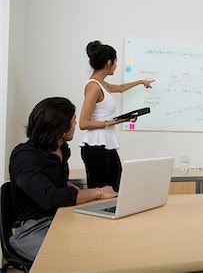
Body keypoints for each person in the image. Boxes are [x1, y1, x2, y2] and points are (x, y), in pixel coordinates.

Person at [9, 97, 117, 261]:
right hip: (31, 229)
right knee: (74, 259)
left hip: (60, 217)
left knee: (102, 241)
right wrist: (99, 192)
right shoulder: (24, 156)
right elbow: (49, 197)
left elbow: (49, 182)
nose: (75, 124)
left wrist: (66, 185)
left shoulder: (61, 149)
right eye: (73, 120)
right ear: (59, 127)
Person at [79, 41, 154, 191]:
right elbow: (83, 123)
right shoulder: (93, 86)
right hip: (95, 144)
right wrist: (113, 122)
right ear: (109, 62)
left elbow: (120, 88)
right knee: (100, 190)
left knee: (114, 184)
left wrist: (140, 82)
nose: (116, 65)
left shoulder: (102, 84)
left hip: (105, 143)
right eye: (116, 62)